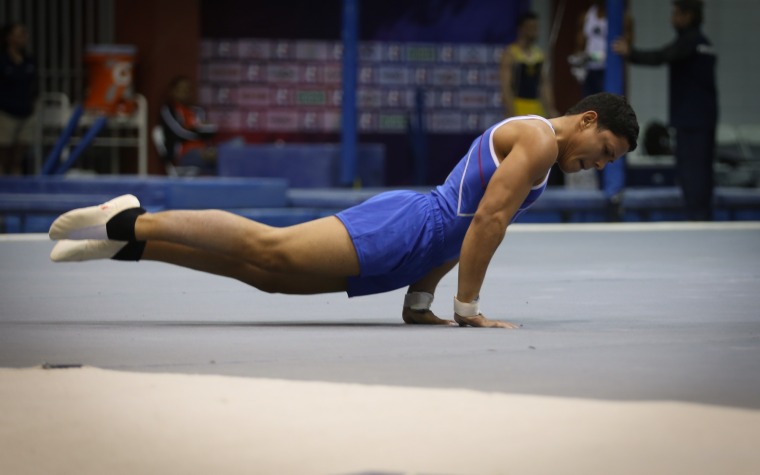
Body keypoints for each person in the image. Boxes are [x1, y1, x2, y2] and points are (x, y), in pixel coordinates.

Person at [48, 93, 639, 329]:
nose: (599, 164)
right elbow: (482, 223)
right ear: (588, 121)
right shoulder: (536, 141)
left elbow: (466, 232)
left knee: (268, 277)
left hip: (421, 245)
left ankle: (131, 244)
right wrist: (470, 310)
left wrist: (419, 301)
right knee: (270, 247)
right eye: (605, 151)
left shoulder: (542, 160)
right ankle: (130, 216)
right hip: (410, 224)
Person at [612, 0, 717, 220]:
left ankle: (698, 218)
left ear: (688, 16)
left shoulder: (690, 42)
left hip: (692, 121)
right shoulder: (703, 42)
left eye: (676, 14)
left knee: (693, 173)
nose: (672, 19)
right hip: (703, 118)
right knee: (701, 172)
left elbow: (660, 56)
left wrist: (630, 53)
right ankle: (701, 216)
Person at [500, 11, 557, 119]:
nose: (534, 31)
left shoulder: (539, 55)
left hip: (536, 107)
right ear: (521, 29)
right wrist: (511, 111)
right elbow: (505, 86)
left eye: (536, 27)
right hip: (517, 106)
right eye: (531, 27)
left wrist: (550, 109)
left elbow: (544, 85)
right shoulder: (510, 54)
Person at [158, 75, 219, 174]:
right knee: (217, 157)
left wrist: (193, 129)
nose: (184, 92)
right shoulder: (168, 109)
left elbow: (212, 130)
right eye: (180, 89)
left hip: (205, 150)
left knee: (236, 145)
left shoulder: (198, 111)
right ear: (173, 91)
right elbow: (178, 133)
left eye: (187, 89)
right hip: (183, 154)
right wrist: (199, 130)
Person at [0, 22, 37, 175]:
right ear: (9, 38)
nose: (25, 37)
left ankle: (18, 188)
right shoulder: (2, 60)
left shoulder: (29, 60)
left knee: (18, 156)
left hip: (26, 112)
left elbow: (33, 84)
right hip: (5, 113)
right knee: (3, 155)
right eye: (20, 34)